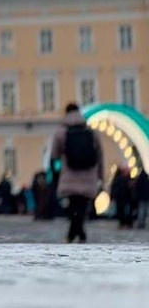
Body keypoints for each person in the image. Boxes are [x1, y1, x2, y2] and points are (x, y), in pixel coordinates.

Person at [50, 102, 103, 244]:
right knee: (82, 206)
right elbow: (99, 155)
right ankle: (78, 233)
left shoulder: (61, 132)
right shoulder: (91, 131)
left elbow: (54, 155)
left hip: (70, 175)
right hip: (88, 175)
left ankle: (73, 234)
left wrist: (55, 174)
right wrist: (101, 177)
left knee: (73, 206)